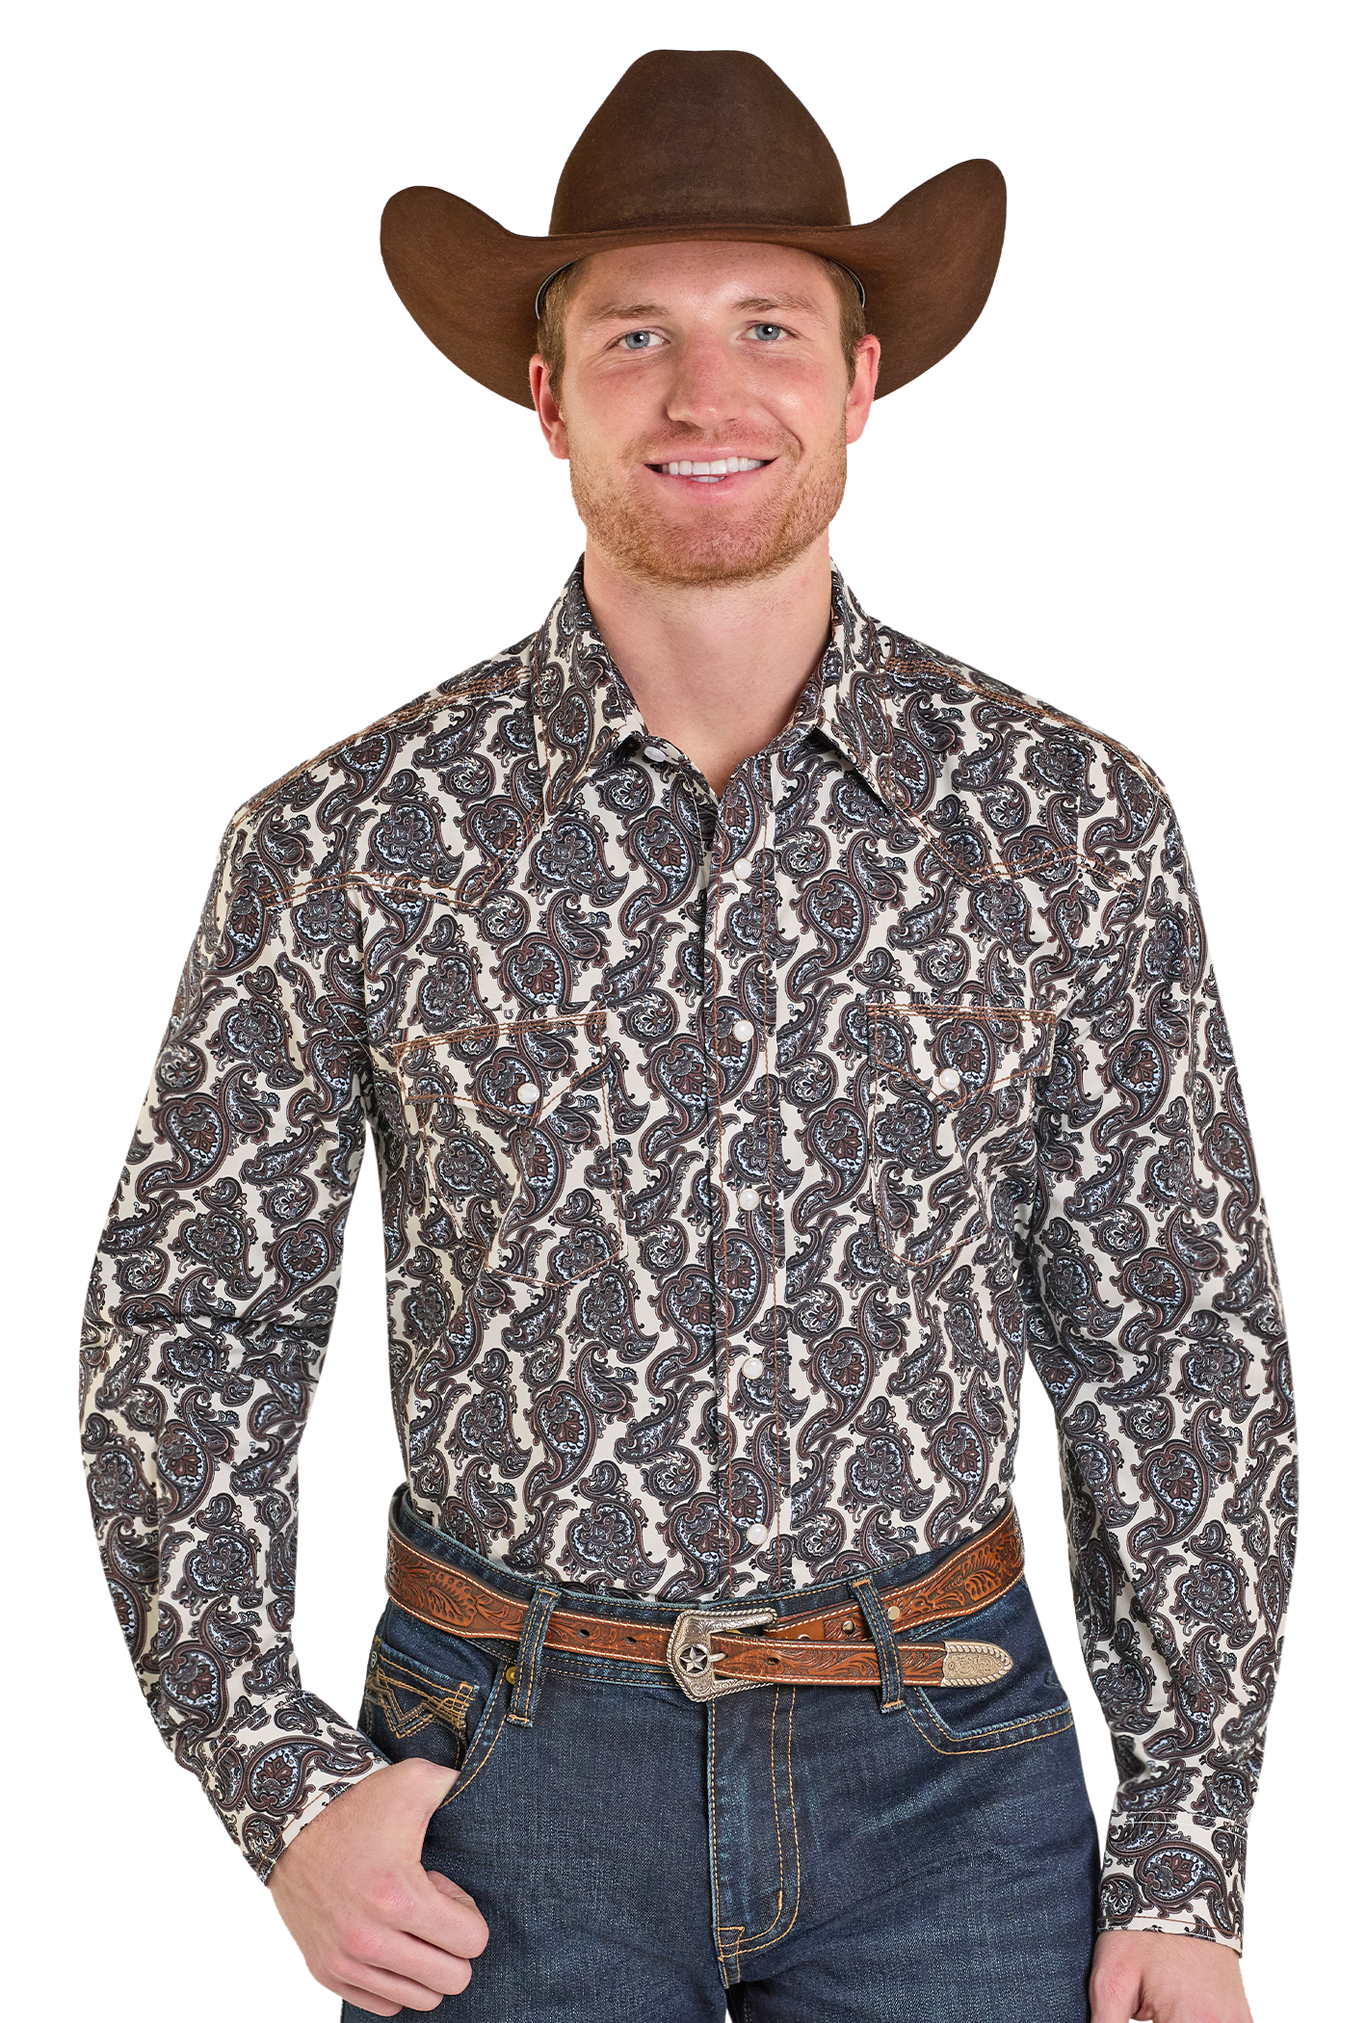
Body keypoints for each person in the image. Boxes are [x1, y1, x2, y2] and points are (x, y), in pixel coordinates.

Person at [77, 45, 1297, 2023]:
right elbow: (192, 1315)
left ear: (857, 385)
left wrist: (1186, 1862)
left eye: (764, 327)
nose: (703, 392)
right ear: (547, 398)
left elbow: (1172, 1337)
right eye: (633, 334)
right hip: (486, 1782)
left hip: (956, 1791)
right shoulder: (342, 840)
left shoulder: (1071, 818)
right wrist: (274, 1782)